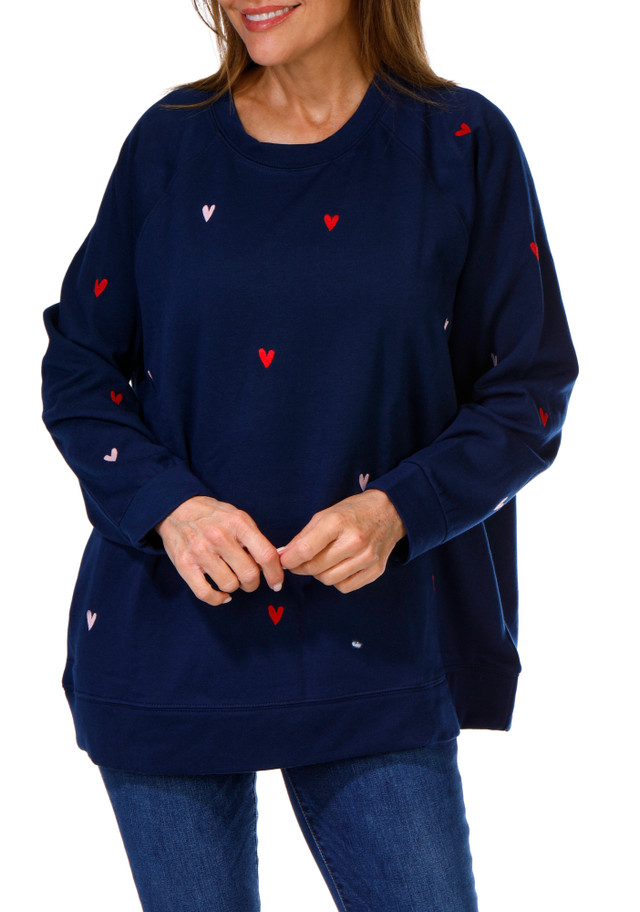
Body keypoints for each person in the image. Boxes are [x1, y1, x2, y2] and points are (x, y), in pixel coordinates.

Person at [40, 1, 579, 909]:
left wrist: (400, 509)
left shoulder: (460, 143)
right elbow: (81, 367)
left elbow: (528, 387)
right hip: (168, 645)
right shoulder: (168, 144)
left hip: (377, 648)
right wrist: (173, 509)